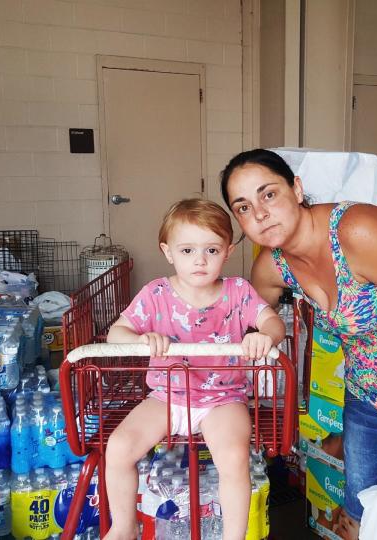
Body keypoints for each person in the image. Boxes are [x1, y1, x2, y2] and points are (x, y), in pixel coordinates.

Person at [221, 149, 377, 540]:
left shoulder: (357, 230)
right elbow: (243, 325)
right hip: (367, 395)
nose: (259, 213)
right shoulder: (273, 267)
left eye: (268, 194)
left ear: (296, 188)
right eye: (243, 206)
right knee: (361, 510)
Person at [103, 198, 286, 540]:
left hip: (223, 398)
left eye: (211, 250)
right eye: (187, 250)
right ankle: (123, 527)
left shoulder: (238, 292)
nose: (199, 260)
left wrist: (265, 336)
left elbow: (272, 321)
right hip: (167, 395)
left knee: (234, 456)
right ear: (168, 251)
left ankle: (234, 536)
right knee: (119, 446)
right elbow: (117, 332)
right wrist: (142, 340)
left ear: (227, 251)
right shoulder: (155, 293)